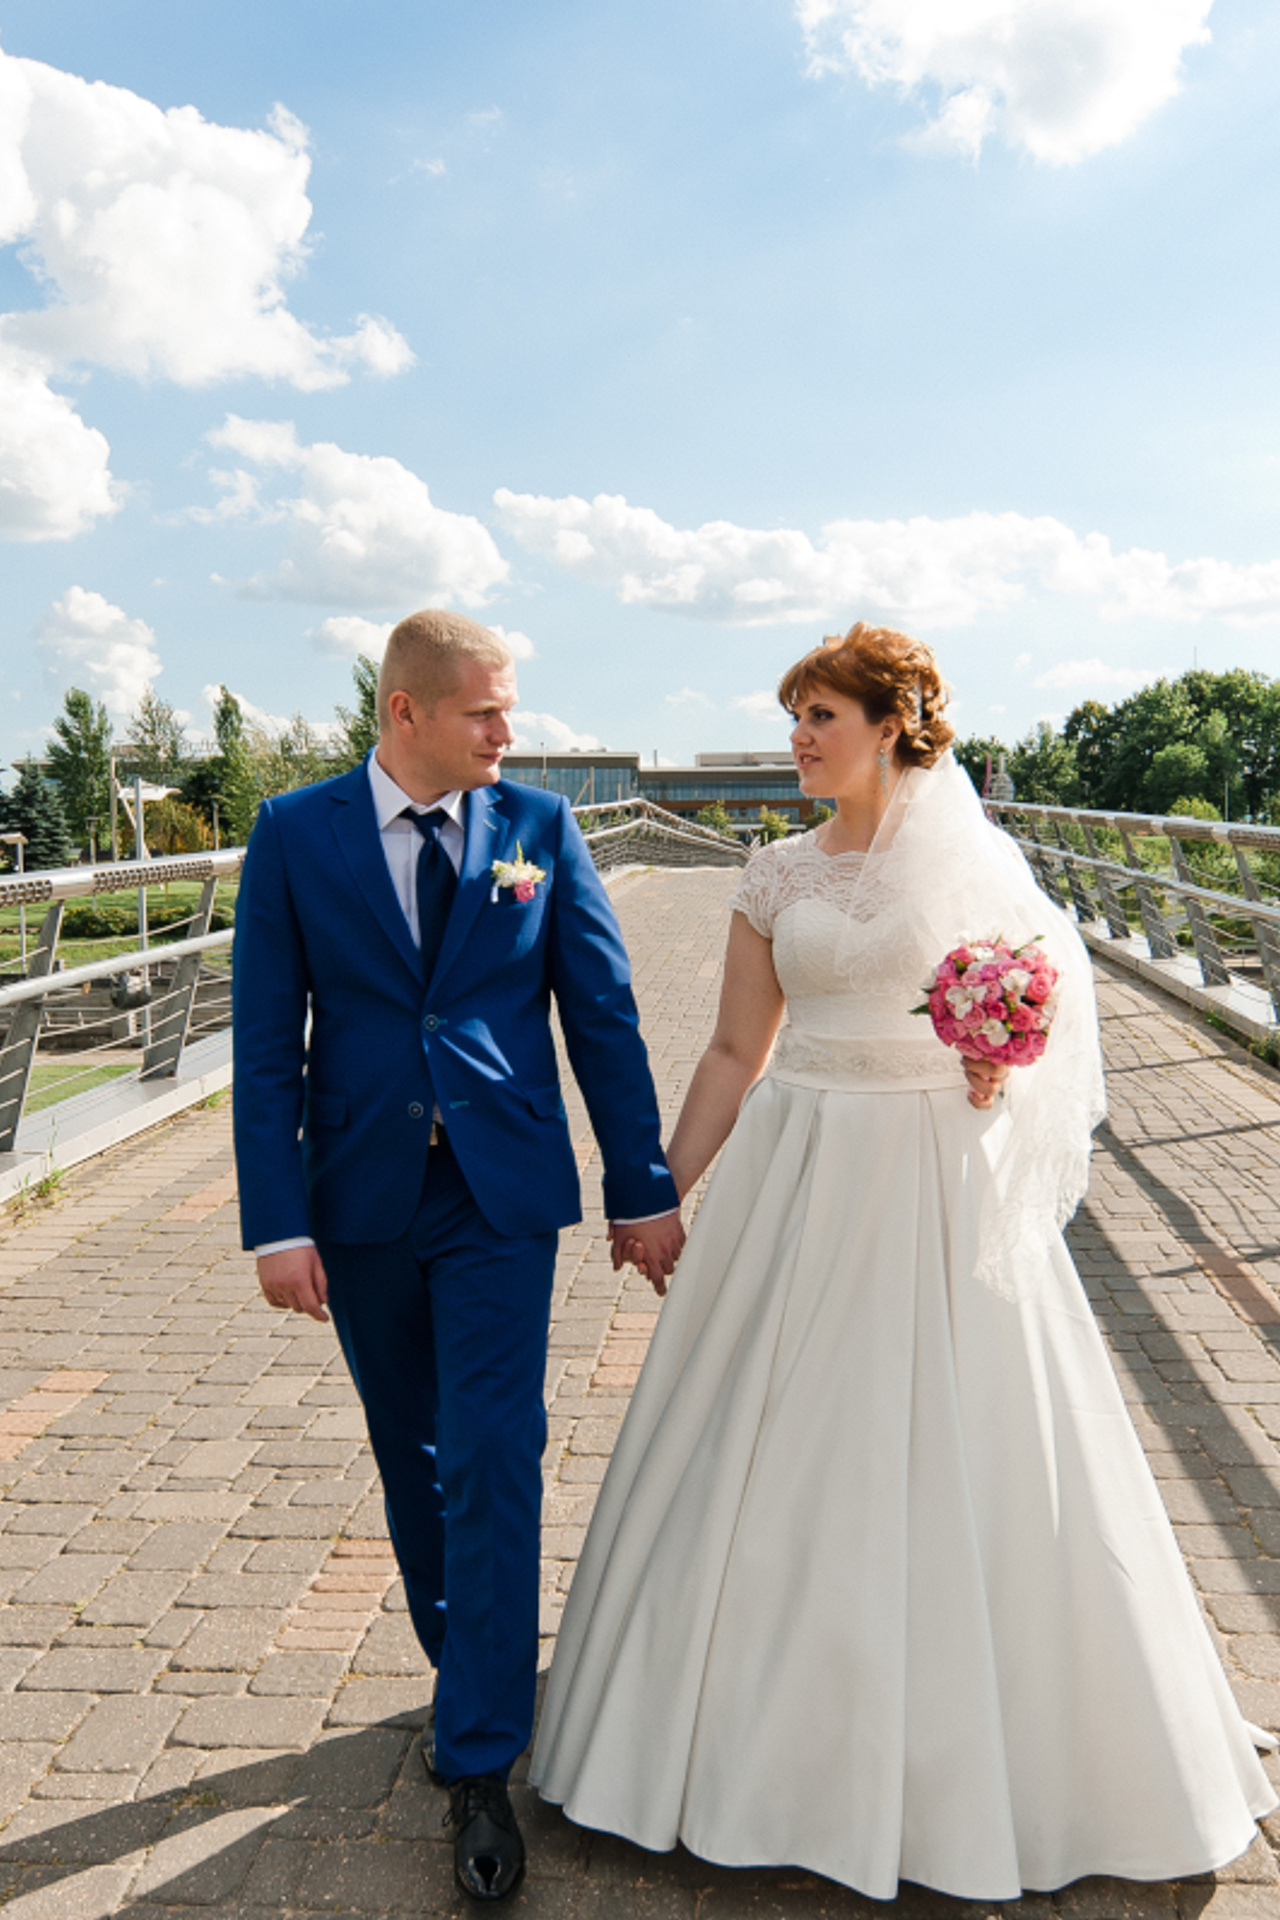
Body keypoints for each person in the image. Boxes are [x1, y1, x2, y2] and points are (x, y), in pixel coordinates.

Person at [531, 623, 1277, 1902]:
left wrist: (999, 1055)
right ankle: (721, 1734)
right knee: (757, 1441)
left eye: (819, 714)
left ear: (891, 723)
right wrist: (652, 1193)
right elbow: (727, 1053)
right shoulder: (769, 873)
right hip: (795, 1169)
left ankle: (984, 1754)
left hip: (932, 1179)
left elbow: (1036, 1006)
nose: (798, 738)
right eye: (793, 716)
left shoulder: (973, 863)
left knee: (960, 1440)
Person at [231, 610, 683, 1903]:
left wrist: (640, 1187)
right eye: (487, 711)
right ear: (405, 714)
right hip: (359, 1194)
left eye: (511, 708)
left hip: (501, 1194)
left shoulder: (540, 831)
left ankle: (481, 1754)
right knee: (414, 1453)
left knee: (496, 1447)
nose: (510, 731)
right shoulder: (293, 835)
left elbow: (602, 1013)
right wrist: (277, 1220)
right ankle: (467, 1665)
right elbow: (265, 1044)